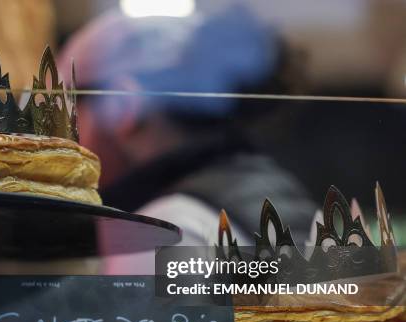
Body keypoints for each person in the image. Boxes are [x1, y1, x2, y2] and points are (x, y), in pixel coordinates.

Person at [58, 6, 317, 274]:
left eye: (66, 110)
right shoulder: (275, 193)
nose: (62, 138)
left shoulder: (165, 233)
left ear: (124, 106)